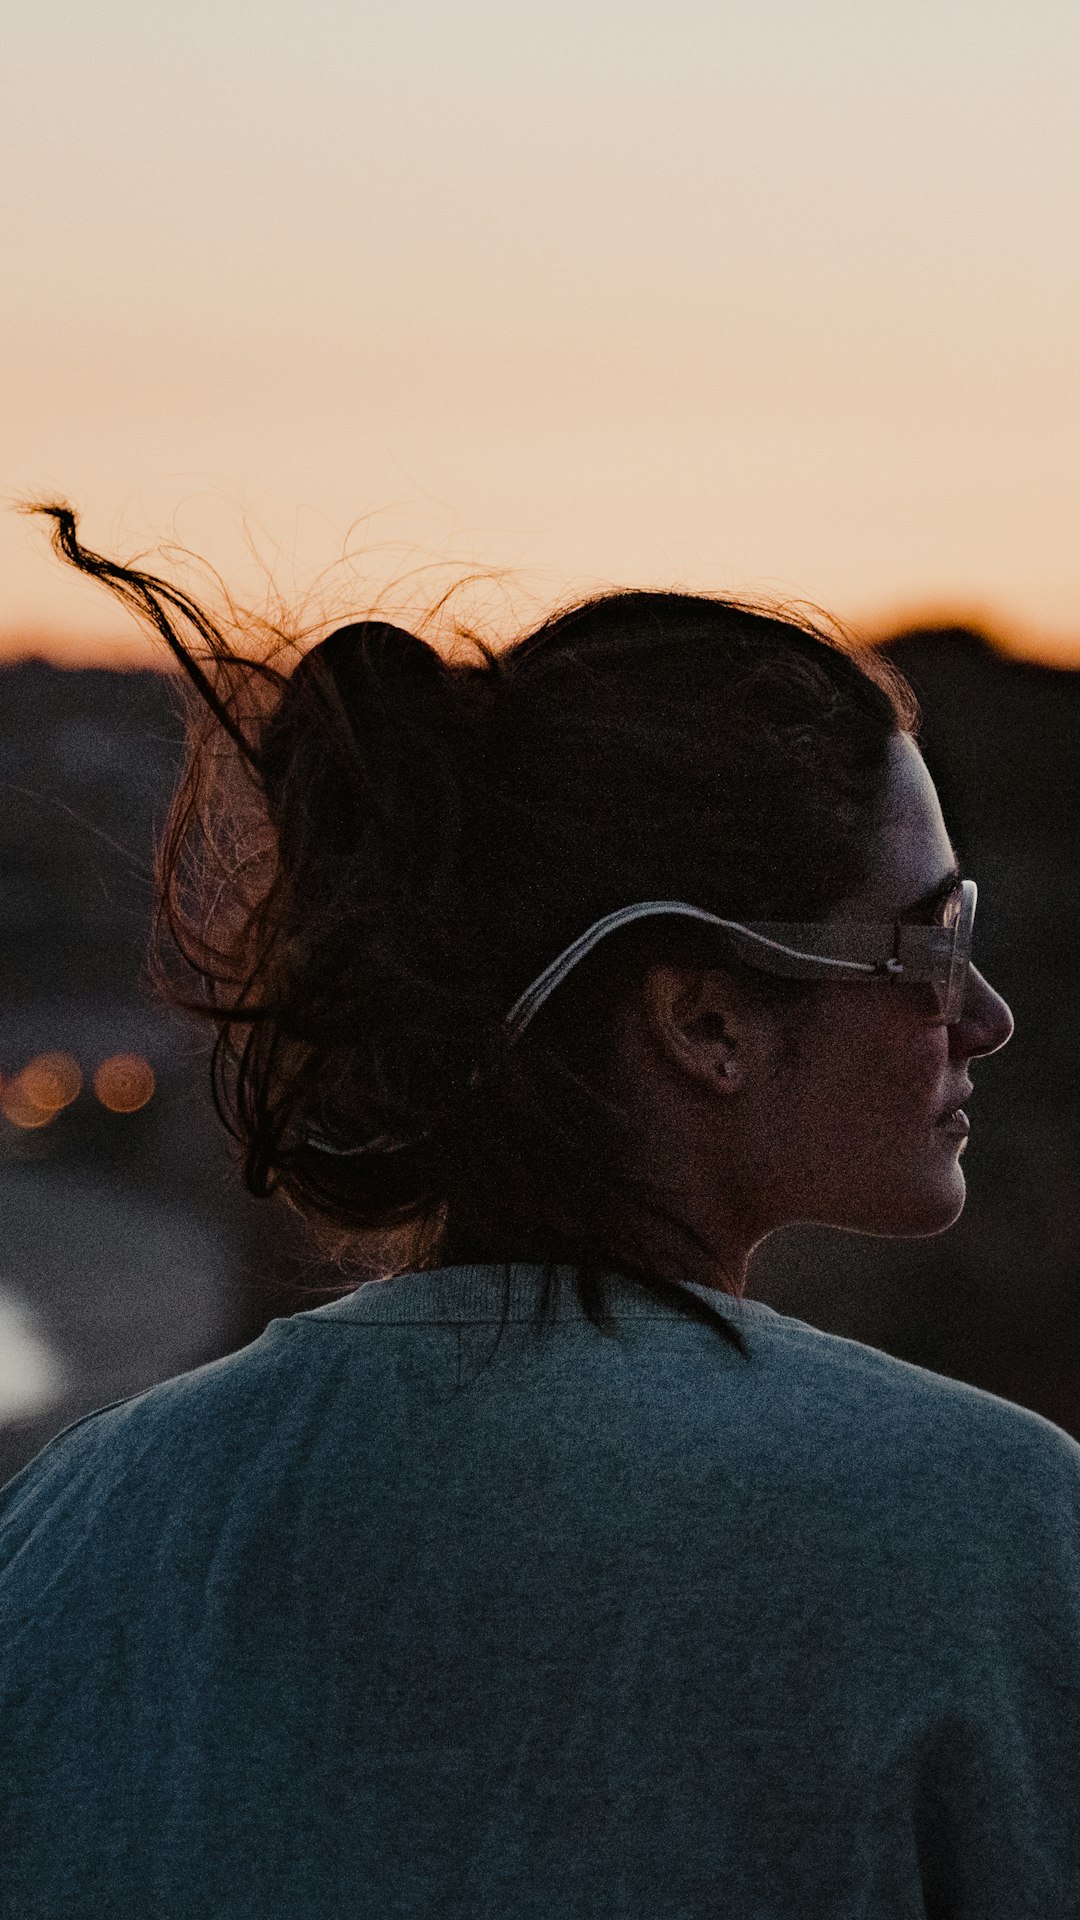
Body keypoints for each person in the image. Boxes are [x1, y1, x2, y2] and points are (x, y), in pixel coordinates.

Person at [2, 505, 1077, 1919]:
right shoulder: (990, 1529)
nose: (985, 1018)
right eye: (932, 943)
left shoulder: (73, 1525)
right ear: (702, 1019)